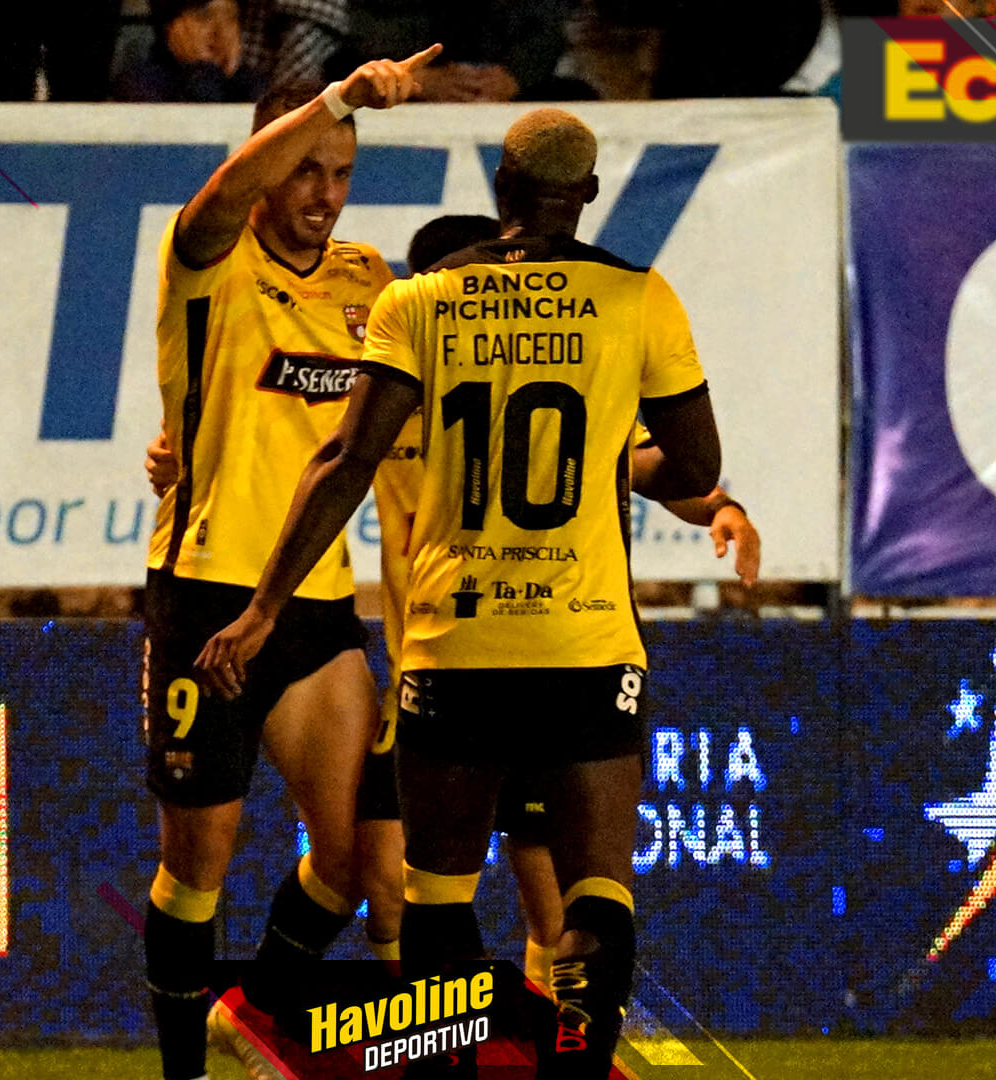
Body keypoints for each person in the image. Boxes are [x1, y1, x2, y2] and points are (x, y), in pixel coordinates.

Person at [195, 108, 723, 1078]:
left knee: (437, 901)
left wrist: (264, 606)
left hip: (456, 648)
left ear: (503, 188)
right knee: (595, 897)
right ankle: (573, 1067)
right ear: (589, 197)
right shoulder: (639, 298)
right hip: (584, 644)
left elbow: (344, 461)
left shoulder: (422, 302)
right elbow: (696, 462)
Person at [138, 48, 441, 1080]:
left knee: (356, 862)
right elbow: (224, 195)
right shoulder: (210, 254)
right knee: (197, 870)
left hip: (313, 603)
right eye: (309, 168)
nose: (325, 194)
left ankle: (256, 1010)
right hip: (207, 589)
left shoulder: (367, 282)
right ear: (269, 165)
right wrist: (340, 96)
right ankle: (183, 1071)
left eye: (342, 172)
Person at [113, 0, 267, 104]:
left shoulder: (250, 83)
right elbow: (208, 130)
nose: (220, 32)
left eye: (230, 17)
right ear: (172, 26)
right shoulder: (140, 84)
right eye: (204, 16)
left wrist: (238, 73)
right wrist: (200, 69)